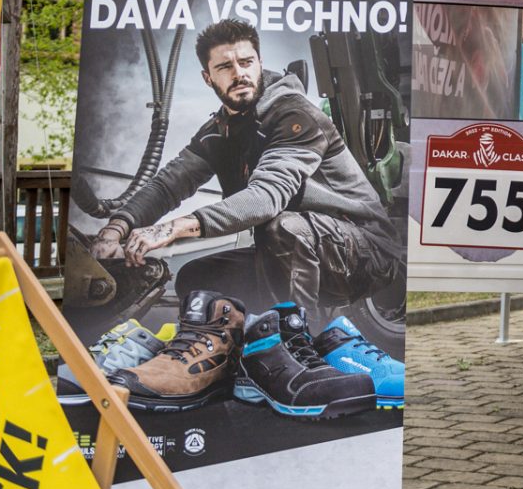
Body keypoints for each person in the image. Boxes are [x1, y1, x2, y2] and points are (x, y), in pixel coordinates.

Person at [88, 19, 399, 319]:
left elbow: (266, 198)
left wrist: (172, 229)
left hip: (366, 251)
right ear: (208, 77)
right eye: (225, 67)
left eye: (246, 62)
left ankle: (297, 340)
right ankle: (241, 343)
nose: (239, 74)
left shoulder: (294, 115)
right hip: (297, 247)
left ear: (259, 63)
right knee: (198, 280)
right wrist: (114, 230)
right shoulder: (220, 131)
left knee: (284, 228)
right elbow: (168, 185)